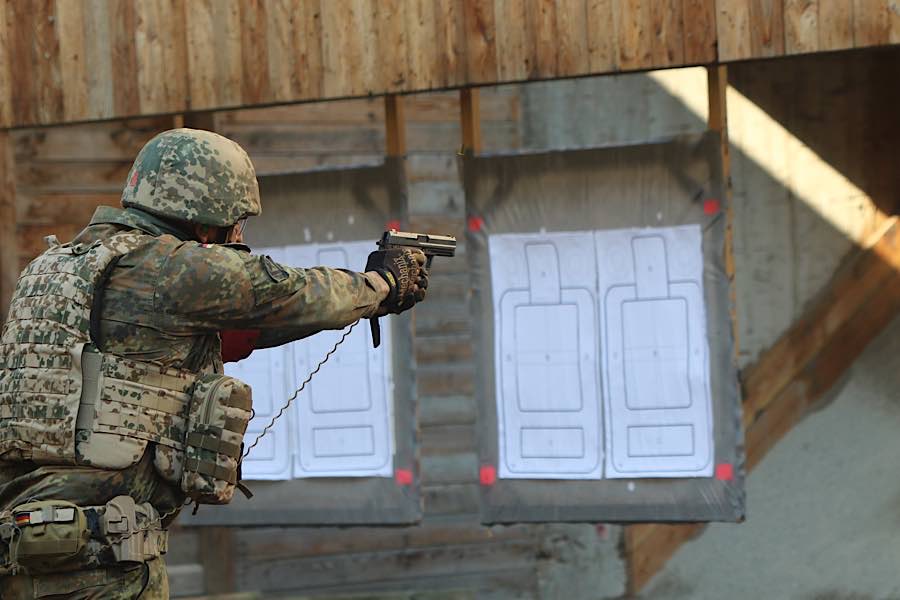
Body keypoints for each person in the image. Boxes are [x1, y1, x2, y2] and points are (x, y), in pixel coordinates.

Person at [0, 128, 428, 598]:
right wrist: (382, 283)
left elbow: (232, 332)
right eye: (236, 222)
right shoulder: (170, 266)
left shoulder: (59, 269)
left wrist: (371, 302)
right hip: (98, 568)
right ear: (205, 222)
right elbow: (284, 291)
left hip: (29, 550)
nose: (239, 235)